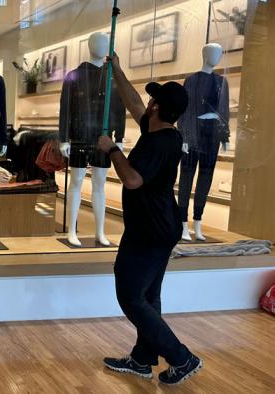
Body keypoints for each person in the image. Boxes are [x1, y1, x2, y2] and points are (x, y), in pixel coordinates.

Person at [96, 53, 203, 385]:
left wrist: (112, 149)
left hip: (150, 231)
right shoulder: (161, 131)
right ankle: (142, 359)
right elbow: (133, 104)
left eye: (153, 99)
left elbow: (132, 179)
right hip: (158, 227)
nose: (148, 103)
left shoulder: (159, 144)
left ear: (158, 107)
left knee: (130, 295)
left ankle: (181, 357)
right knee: (149, 296)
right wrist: (117, 70)